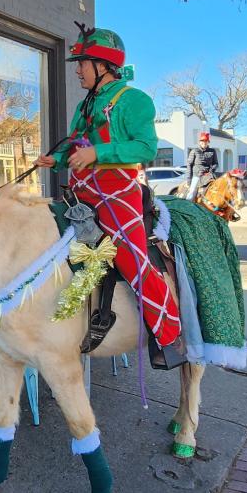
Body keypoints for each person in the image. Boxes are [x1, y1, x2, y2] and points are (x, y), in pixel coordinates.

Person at [35, 25, 181, 350]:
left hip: (117, 194)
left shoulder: (134, 101)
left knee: (130, 257)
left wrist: (98, 153)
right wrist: (55, 160)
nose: (77, 70)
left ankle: (169, 329)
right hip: (79, 196)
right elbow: (73, 146)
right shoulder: (85, 105)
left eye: (82, 63)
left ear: (102, 65)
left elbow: (146, 148)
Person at [184, 132, 220, 200]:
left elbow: (216, 163)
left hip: (208, 175)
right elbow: (189, 164)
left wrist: (213, 169)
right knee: (192, 193)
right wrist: (189, 178)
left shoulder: (212, 151)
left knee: (218, 189)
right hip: (197, 175)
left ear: (208, 142)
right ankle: (188, 205)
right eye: (202, 141)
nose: (204, 142)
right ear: (200, 142)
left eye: (206, 141)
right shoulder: (194, 151)